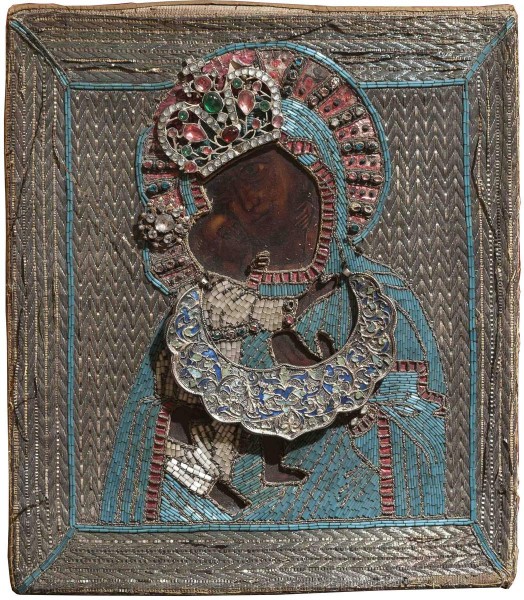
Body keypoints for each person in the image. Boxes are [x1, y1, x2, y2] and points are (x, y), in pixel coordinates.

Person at [101, 45, 446, 525]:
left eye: (261, 175)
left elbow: (426, 431)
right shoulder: (204, 309)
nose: (249, 198)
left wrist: (366, 417)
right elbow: (149, 437)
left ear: (318, 181)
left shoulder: (381, 299)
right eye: (231, 190)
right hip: (208, 534)